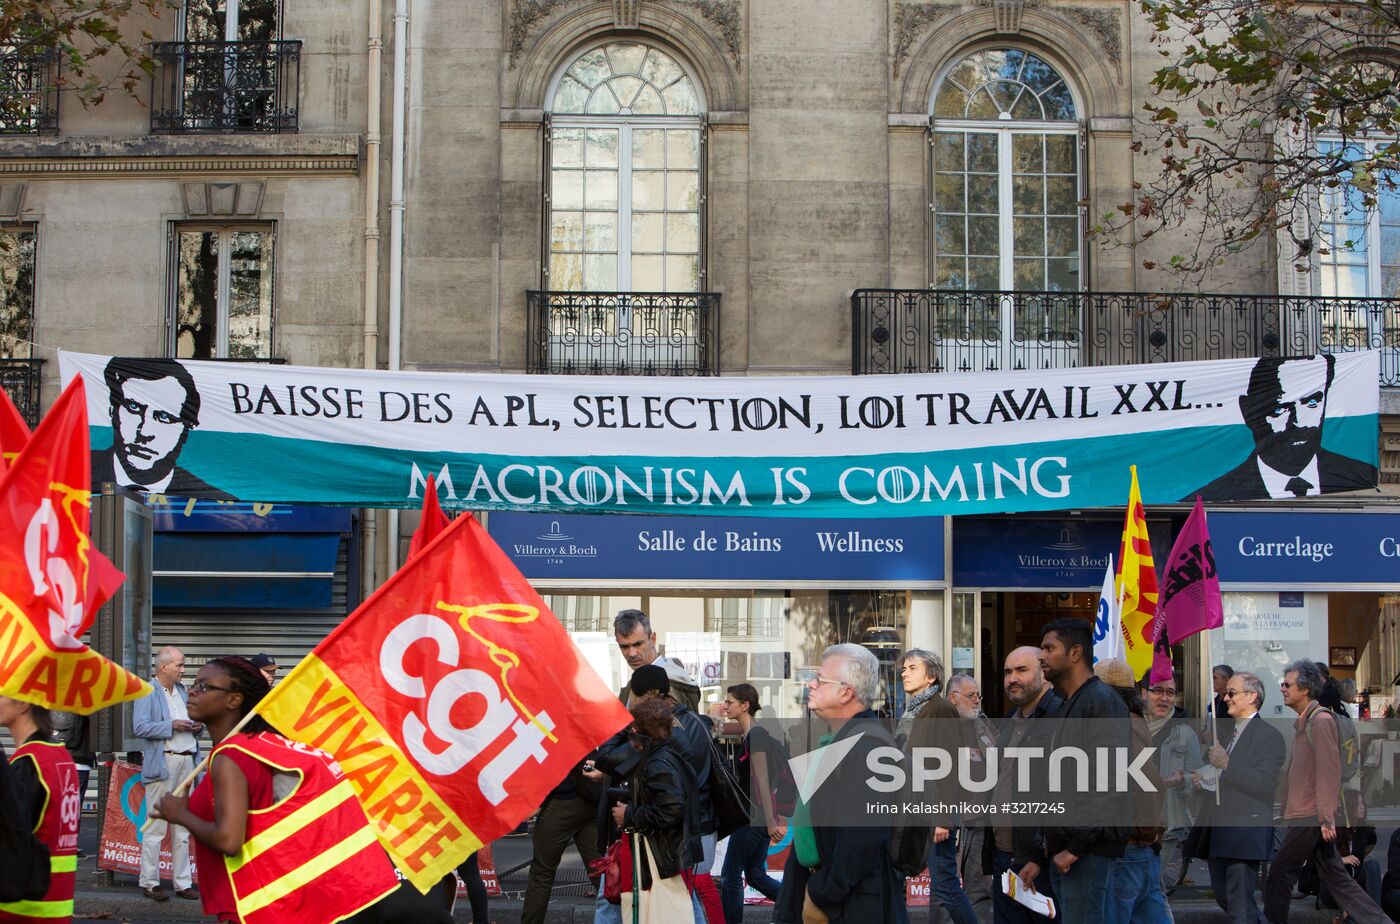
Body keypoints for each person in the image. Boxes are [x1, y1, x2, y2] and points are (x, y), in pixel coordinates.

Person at [149, 656, 431, 924]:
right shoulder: (264, 746)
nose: (193, 692)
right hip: (289, 902)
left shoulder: (230, 756)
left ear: (234, 700)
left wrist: (181, 814)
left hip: (252, 905)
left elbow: (228, 841)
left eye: (204, 686)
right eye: (194, 683)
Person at [775, 644, 906, 924]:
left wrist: (821, 893)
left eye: (821, 680)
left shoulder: (867, 749)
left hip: (845, 905)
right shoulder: (839, 742)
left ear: (846, 692)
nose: (812, 684)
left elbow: (862, 840)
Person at [1263, 659, 1387, 923]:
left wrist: (1326, 817)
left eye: (1288, 684)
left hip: (1311, 815)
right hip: (1311, 813)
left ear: (1305, 689)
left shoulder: (1319, 721)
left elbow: (1328, 772)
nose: (1283, 689)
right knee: (1339, 881)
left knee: (1279, 875)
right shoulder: (1306, 721)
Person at [1031, 617, 1129, 924]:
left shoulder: (1101, 702)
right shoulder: (1066, 705)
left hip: (1085, 850)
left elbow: (1108, 779)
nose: (1041, 656)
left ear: (1075, 653)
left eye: (1049, 648)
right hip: (1067, 848)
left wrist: (1076, 847)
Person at [1186, 354, 1377, 501]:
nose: (1298, 421)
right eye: (1280, 409)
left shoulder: (1357, 472)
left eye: (1312, 402)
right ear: (1247, 411)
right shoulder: (1213, 493)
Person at [1192, 671, 1285, 924]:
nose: (1225, 698)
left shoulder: (1269, 735)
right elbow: (1222, 774)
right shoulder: (1229, 733)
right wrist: (1206, 779)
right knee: (1227, 898)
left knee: (1240, 907)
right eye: (1224, 694)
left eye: (1231, 693)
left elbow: (1265, 782)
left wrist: (1227, 765)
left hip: (1245, 830)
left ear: (1252, 696)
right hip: (1220, 830)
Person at [899, 649, 978, 924]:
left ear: (931, 676)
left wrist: (943, 819)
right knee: (895, 876)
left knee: (945, 885)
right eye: (903, 668)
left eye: (911, 668)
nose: (903, 673)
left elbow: (949, 766)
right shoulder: (913, 710)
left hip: (934, 814)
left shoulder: (940, 709)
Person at [616, 696, 705, 924]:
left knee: (662, 912)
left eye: (633, 727)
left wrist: (628, 815)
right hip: (666, 853)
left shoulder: (657, 764)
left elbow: (672, 809)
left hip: (661, 855)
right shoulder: (665, 757)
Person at [91, 357, 233, 498]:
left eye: (165, 418)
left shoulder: (214, 502)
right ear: (112, 411)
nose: (144, 432)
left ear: (186, 430)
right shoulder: (73, 474)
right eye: (134, 408)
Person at [1094, 659, 1170, 924]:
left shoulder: (1119, 723)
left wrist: (1146, 830)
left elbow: (1146, 782)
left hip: (1128, 846)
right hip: (1139, 845)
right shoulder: (1135, 720)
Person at [991, 646, 1062, 924]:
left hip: (1039, 862)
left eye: (1022, 670)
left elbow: (1061, 792)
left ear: (1044, 673)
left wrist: (1039, 855)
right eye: (1008, 672)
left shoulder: (1058, 717)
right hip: (1005, 855)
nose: (1012, 679)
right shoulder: (1010, 719)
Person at [0, 697, 79, 922]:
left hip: (22, 911)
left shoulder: (27, 764)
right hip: (57, 908)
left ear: (23, 704)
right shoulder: (62, 757)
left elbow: (10, 839)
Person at [132, 645, 200, 902]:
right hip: (164, 762)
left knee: (182, 826)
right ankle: (150, 882)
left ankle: (182, 882)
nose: (183, 670)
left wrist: (196, 726)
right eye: (179, 665)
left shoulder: (182, 691)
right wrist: (170, 725)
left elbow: (192, 721)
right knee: (156, 825)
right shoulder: (147, 691)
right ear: (163, 667)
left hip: (186, 761)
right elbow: (140, 726)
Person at [718, 682, 785, 923]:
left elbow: (762, 781)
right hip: (758, 816)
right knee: (755, 874)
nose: (725, 706)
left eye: (730, 702)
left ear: (745, 705)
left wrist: (769, 821)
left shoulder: (755, 735)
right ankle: (796, 907)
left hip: (753, 817)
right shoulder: (752, 734)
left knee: (729, 874)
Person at [522, 756, 604, 924]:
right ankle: (619, 918)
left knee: (542, 874)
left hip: (561, 801)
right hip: (591, 797)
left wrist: (537, 802)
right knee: (602, 874)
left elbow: (547, 762)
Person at [946, 673, 996, 921]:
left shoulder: (983, 724)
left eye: (978, 695)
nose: (977, 700)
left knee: (980, 890)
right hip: (950, 823)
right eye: (971, 695)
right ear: (953, 697)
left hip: (981, 821)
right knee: (946, 888)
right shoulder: (939, 727)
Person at [1144, 673, 1200, 893]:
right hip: (1131, 823)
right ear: (1143, 693)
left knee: (1151, 887)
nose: (1164, 698)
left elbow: (1196, 779)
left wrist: (1180, 781)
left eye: (1170, 692)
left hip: (1167, 823)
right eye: (1157, 691)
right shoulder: (1132, 726)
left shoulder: (1185, 733)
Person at [614, 609, 700, 712]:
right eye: (624, 647)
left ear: (653, 639)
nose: (632, 653)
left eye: (638, 644)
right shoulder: (631, 686)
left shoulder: (672, 686)